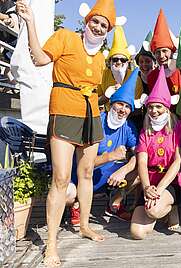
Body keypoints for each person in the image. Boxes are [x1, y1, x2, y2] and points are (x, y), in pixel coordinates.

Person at [16, 0, 116, 266]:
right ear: (87, 21)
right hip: (64, 109)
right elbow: (39, 58)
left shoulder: (102, 59)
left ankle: (84, 225)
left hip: (91, 114)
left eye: (104, 25)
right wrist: (30, 23)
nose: (98, 26)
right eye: (95, 21)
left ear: (108, 32)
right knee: (61, 178)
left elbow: (102, 88)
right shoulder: (65, 37)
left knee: (85, 173)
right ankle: (51, 244)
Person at [67, 68, 140, 225]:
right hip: (80, 175)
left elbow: (139, 155)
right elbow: (83, 163)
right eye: (120, 104)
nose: (123, 110)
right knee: (67, 194)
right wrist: (110, 156)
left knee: (138, 173)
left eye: (127, 107)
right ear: (111, 104)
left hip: (108, 178)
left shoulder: (128, 127)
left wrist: (124, 170)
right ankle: (76, 204)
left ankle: (115, 204)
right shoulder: (96, 121)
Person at [130, 65, 181, 240]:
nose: (154, 111)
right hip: (150, 181)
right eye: (151, 107)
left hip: (170, 181)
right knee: (136, 233)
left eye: (158, 107)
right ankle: (155, 209)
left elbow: (177, 162)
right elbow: (141, 162)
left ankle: (171, 207)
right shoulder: (144, 131)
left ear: (167, 108)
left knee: (153, 210)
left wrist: (160, 189)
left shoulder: (178, 128)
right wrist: (147, 188)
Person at [146, 9, 181, 96]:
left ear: (172, 52)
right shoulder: (151, 77)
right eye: (157, 52)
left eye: (164, 51)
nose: (161, 56)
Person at [98, 24, 133, 111]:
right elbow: (96, 101)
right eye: (115, 59)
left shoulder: (134, 77)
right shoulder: (103, 75)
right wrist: (106, 96)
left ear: (127, 62)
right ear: (110, 61)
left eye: (123, 60)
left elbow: (138, 107)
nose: (119, 62)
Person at [129, 31, 157, 131]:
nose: (144, 65)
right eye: (141, 62)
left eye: (148, 61)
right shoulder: (135, 78)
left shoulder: (159, 78)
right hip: (137, 118)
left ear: (154, 63)